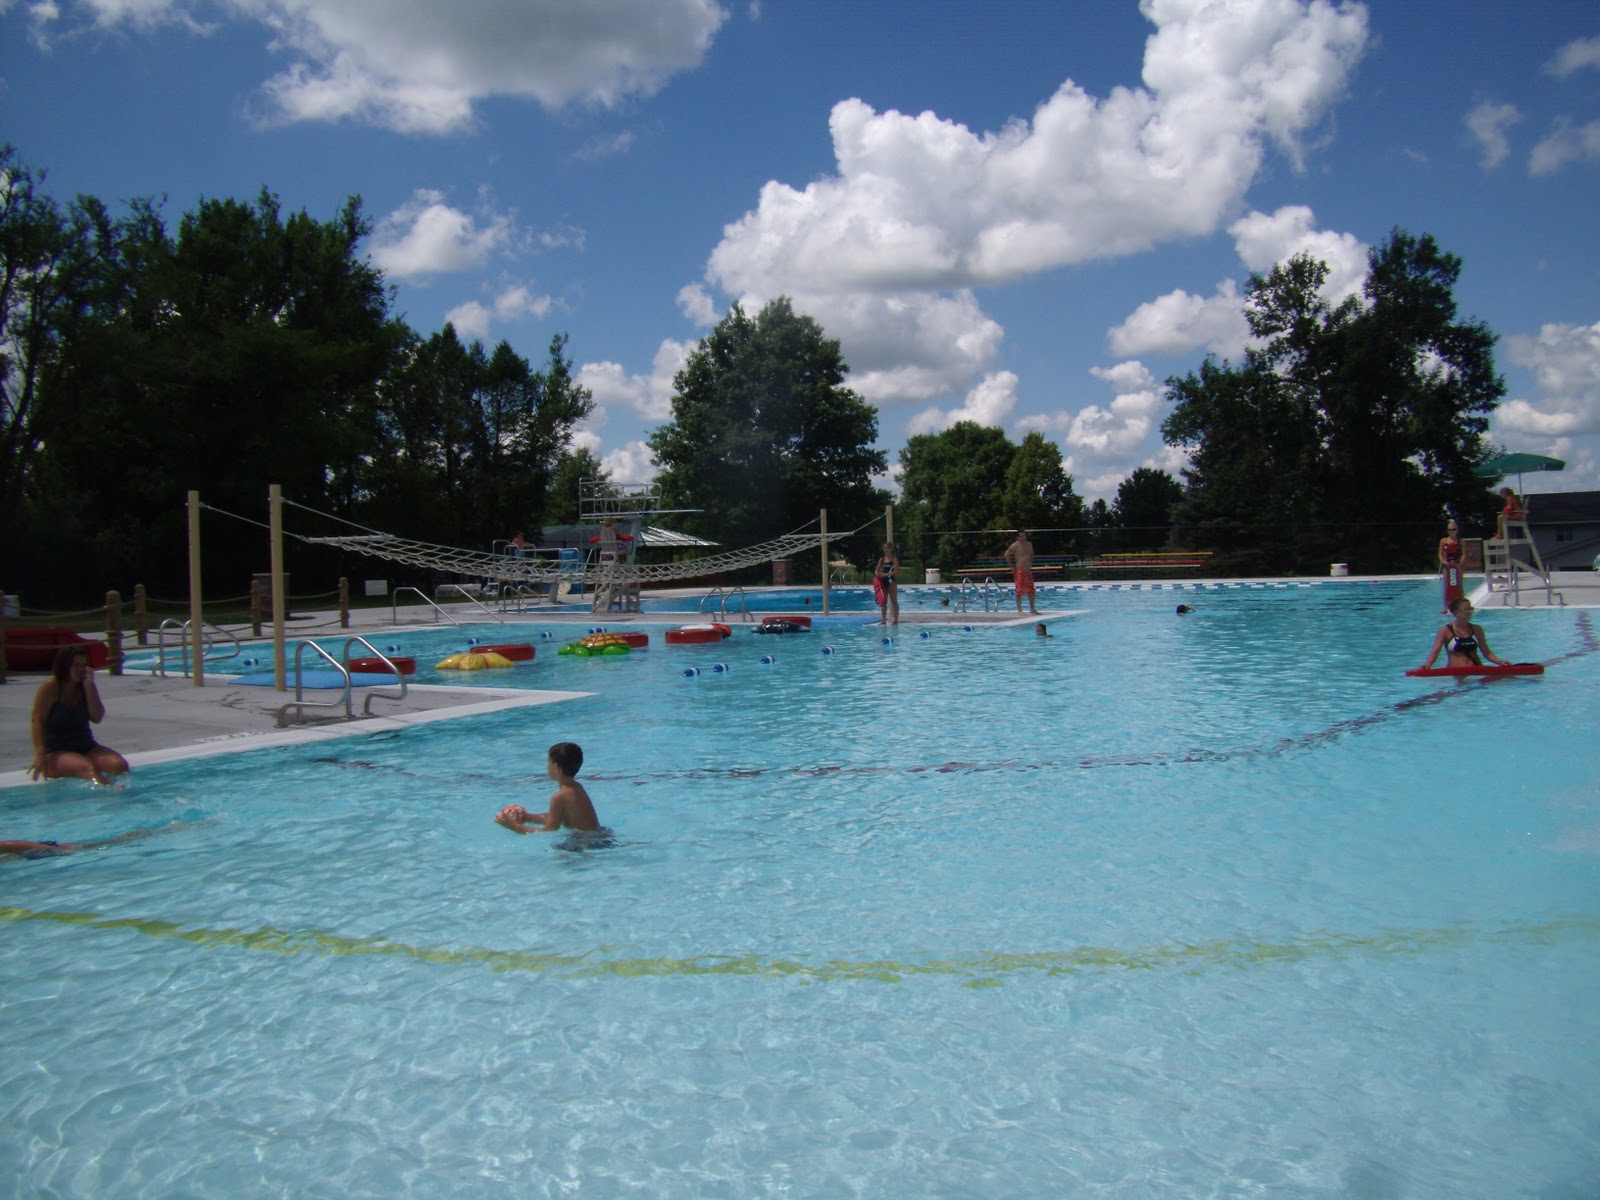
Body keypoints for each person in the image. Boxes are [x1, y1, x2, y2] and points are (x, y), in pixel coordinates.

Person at [29, 646, 129, 785]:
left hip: (86, 746)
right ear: (65, 666)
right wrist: (40, 754)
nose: (81, 669)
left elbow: (97, 717)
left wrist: (89, 687)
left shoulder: (85, 686)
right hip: (55, 751)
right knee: (88, 768)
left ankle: (119, 789)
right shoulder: (51, 687)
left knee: (119, 765)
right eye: (76, 665)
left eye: (84, 665)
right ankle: (107, 792)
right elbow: (37, 720)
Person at [497, 742, 606, 835]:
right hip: (599, 836)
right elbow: (555, 818)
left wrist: (515, 827)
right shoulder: (576, 787)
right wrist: (528, 817)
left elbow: (549, 830)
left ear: (555, 767)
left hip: (585, 842)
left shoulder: (559, 797)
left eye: (548, 762)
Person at [1421, 597, 1512, 670]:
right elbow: (1435, 651)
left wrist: (1500, 662)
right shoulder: (1445, 631)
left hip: (1476, 670)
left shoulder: (1477, 629)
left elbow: (1486, 652)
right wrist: (1428, 665)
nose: (1469, 612)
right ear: (1456, 612)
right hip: (1456, 674)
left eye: (1470, 609)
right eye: (1466, 610)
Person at [1003, 529, 1039, 616]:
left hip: (1028, 570)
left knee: (1031, 590)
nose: (1023, 537)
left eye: (1024, 535)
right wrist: (1011, 567)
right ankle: (1019, 610)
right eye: (1021, 536)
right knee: (1019, 590)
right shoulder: (1015, 545)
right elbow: (1006, 555)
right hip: (1020, 571)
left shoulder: (1029, 544)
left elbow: (1031, 555)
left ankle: (1032, 609)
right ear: (1018, 537)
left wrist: (1030, 563)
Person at [1437, 517, 1464, 613]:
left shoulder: (1460, 541)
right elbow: (1440, 553)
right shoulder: (1443, 541)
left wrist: (1460, 563)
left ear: (1457, 530)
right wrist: (1443, 561)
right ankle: (1446, 607)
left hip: (1457, 564)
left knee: (1459, 585)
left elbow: (1464, 554)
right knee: (1447, 586)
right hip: (1447, 565)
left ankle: (1462, 604)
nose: (1452, 532)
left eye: (1453, 529)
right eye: (1450, 530)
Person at [874, 541, 900, 625]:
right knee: (883, 601)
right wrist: (877, 574)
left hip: (891, 581)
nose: (886, 550)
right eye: (884, 548)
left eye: (887, 548)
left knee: (894, 601)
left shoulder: (894, 559)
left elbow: (896, 571)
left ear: (891, 549)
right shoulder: (881, 559)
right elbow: (877, 570)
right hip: (883, 582)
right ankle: (883, 620)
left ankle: (896, 620)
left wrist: (885, 574)